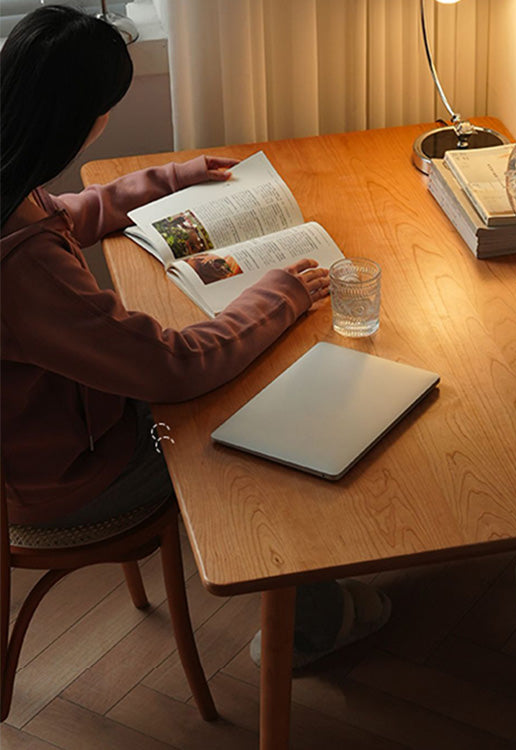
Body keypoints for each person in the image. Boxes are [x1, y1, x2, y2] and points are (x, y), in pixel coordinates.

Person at [0, 4, 389, 668]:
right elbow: (171, 369)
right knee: (255, 423)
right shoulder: (25, 270)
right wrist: (282, 293)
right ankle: (311, 625)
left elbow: (62, 216)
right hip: (67, 473)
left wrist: (162, 183)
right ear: (83, 118)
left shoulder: (10, 182)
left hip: (50, 429)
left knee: (240, 368)